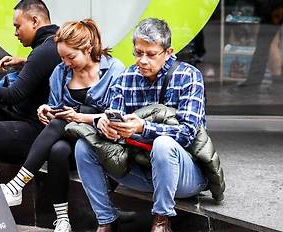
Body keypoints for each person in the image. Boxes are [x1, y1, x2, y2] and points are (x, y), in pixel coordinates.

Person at [75, 18, 208, 232]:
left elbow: (187, 134)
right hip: (141, 170)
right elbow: (113, 115)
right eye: (138, 52)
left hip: (185, 175)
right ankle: (106, 220)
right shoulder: (126, 77)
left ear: (168, 52)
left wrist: (143, 128)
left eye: (151, 54)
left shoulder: (189, 76)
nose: (142, 61)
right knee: (84, 146)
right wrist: (106, 126)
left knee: (163, 144)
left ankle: (161, 220)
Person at [0, 19, 124, 232]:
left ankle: (17, 184)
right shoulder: (60, 72)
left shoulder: (114, 70)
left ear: (87, 48)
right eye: (63, 57)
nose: (66, 62)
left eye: (71, 57)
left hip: (101, 141)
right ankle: (62, 219)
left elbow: (117, 118)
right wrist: (46, 109)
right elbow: (58, 108)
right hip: (70, 139)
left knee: (69, 120)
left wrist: (78, 117)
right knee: (58, 150)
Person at [0, 0, 61, 164]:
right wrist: (25, 62)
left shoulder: (44, 51)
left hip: (34, 129)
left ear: (34, 21)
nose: (15, 32)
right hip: (19, 116)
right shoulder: (51, 43)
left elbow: (12, 95)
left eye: (18, 26)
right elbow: (43, 67)